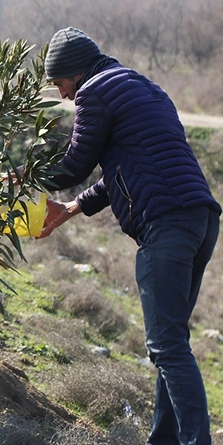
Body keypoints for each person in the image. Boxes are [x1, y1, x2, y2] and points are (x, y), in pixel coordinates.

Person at [23, 27, 220, 445]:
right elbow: (127, 172)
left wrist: (25, 177)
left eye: (59, 84)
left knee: (166, 346)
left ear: (74, 74)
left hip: (165, 226)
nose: (62, 96)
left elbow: (76, 164)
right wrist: (72, 209)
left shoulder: (94, 92)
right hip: (201, 221)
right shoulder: (145, 88)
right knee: (174, 342)